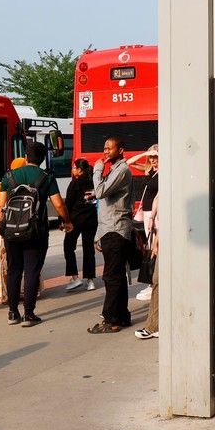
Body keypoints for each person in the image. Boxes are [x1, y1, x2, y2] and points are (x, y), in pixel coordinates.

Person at [0, 140, 71, 327]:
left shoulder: (9, 176)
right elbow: (59, 204)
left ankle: (13, 313)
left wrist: (6, 225)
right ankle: (29, 314)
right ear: (43, 158)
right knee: (31, 271)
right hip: (36, 231)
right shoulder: (46, 178)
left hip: (12, 232)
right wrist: (67, 221)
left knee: (13, 270)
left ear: (26, 157)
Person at [87, 136, 134, 334]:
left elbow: (101, 191)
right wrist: (100, 234)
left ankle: (110, 319)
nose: (105, 151)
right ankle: (121, 316)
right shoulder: (115, 170)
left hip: (115, 230)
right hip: (110, 230)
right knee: (117, 277)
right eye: (104, 148)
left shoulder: (121, 170)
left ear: (120, 150)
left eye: (109, 148)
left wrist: (97, 169)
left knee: (111, 277)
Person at [0, 157, 27, 303]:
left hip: (6, 231)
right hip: (24, 228)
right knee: (24, 262)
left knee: (8, 265)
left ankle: (5, 294)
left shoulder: (3, 184)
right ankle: (25, 291)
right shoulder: (26, 183)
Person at [129, 144, 159, 301]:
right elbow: (129, 163)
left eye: (156, 157)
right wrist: (146, 153)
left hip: (154, 215)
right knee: (150, 245)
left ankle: (154, 282)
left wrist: (153, 217)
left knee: (155, 247)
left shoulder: (164, 173)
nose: (153, 160)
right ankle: (152, 281)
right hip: (146, 213)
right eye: (152, 157)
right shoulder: (150, 171)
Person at [63, 158, 98, 291]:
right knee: (89, 249)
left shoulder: (75, 184)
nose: (72, 170)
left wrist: (64, 221)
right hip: (91, 220)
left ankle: (75, 277)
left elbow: (68, 204)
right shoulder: (93, 182)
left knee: (68, 246)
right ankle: (90, 281)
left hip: (75, 221)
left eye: (73, 168)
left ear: (79, 170)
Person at [135, 193, 160, 340]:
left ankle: (154, 326)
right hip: (163, 236)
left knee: (158, 282)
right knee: (157, 282)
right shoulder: (164, 180)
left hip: (172, 239)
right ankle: (154, 325)